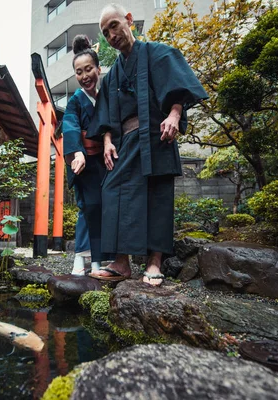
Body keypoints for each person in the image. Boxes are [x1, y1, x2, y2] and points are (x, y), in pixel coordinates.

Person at [88, 4, 208, 286]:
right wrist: (106, 141)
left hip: (156, 136)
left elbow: (178, 88)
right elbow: (104, 114)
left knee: (158, 194)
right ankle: (122, 262)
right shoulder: (113, 74)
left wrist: (175, 114)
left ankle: (155, 262)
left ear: (129, 21)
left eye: (114, 26)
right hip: (125, 142)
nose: (111, 35)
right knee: (112, 188)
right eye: (105, 32)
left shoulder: (157, 52)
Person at [63, 34, 113, 276]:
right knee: (88, 207)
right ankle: (79, 261)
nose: (85, 76)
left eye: (89, 69)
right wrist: (77, 153)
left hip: (105, 162)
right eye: (79, 72)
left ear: (98, 69)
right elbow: (70, 125)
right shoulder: (75, 101)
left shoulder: (106, 95)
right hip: (85, 163)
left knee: (105, 207)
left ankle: (98, 261)